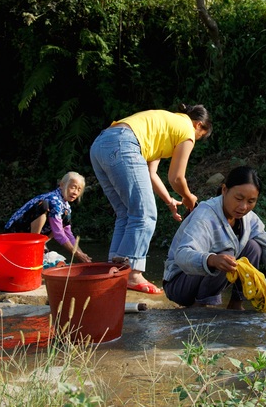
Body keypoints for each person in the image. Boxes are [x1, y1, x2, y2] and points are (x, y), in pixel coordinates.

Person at [90, 104, 212, 294]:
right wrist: (188, 197)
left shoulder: (167, 124)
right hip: (124, 144)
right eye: (200, 136)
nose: (195, 141)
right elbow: (177, 178)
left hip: (101, 144)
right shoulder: (187, 130)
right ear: (198, 125)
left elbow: (151, 173)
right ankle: (132, 273)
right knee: (144, 215)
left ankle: (114, 271)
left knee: (126, 214)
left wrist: (169, 200)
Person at [163, 166, 266, 309]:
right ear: (224, 190)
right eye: (238, 198)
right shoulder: (205, 215)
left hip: (206, 279)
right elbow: (182, 254)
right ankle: (200, 306)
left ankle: (236, 303)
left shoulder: (250, 219)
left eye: (251, 201)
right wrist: (212, 260)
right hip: (180, 284)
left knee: (254, 247)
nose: (243, 207)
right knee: (227, 254)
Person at [5, 172, 92, 263]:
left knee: (65, 217)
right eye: (73, 187)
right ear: (62, 185)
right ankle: (35, 246)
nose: (75, 192)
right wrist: (76, 255)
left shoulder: (66, 207)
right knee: (43, 206)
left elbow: (68, 234)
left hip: (30, 232)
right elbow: (58, 234)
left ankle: (40, 245)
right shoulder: (53, 200)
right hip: (15, 232)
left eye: (79, 189)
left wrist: (81, 254)